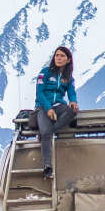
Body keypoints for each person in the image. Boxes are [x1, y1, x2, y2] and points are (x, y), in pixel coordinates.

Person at [34, 45, 79, 177]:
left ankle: (47, 133)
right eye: (57, 55)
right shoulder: (45, 72)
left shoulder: (69, 77)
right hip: (43, 106)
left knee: (73, 111)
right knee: (46, 131)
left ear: (68, 60)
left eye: (62, 56)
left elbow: (72, 92)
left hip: (60, 106)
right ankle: (47, 166)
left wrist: (73, 101)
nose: (58, 58)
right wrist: (48, 109)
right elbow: (39, 93)